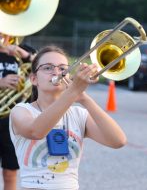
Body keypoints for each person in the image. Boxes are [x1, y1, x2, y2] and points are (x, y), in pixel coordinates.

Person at [9, 45, 127, 190]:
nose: (56, 72)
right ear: (34, 79)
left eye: (63, 68)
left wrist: (84, 98)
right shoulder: (21, 111)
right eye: (48, 68)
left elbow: (118, 141)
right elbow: (36, 131)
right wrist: (73, 91)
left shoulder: (79, 114)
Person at [0, 42, 36, 190]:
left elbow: (46, 68)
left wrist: (26, 55)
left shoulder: (26, 50)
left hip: (13, 121)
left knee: (10, 173)